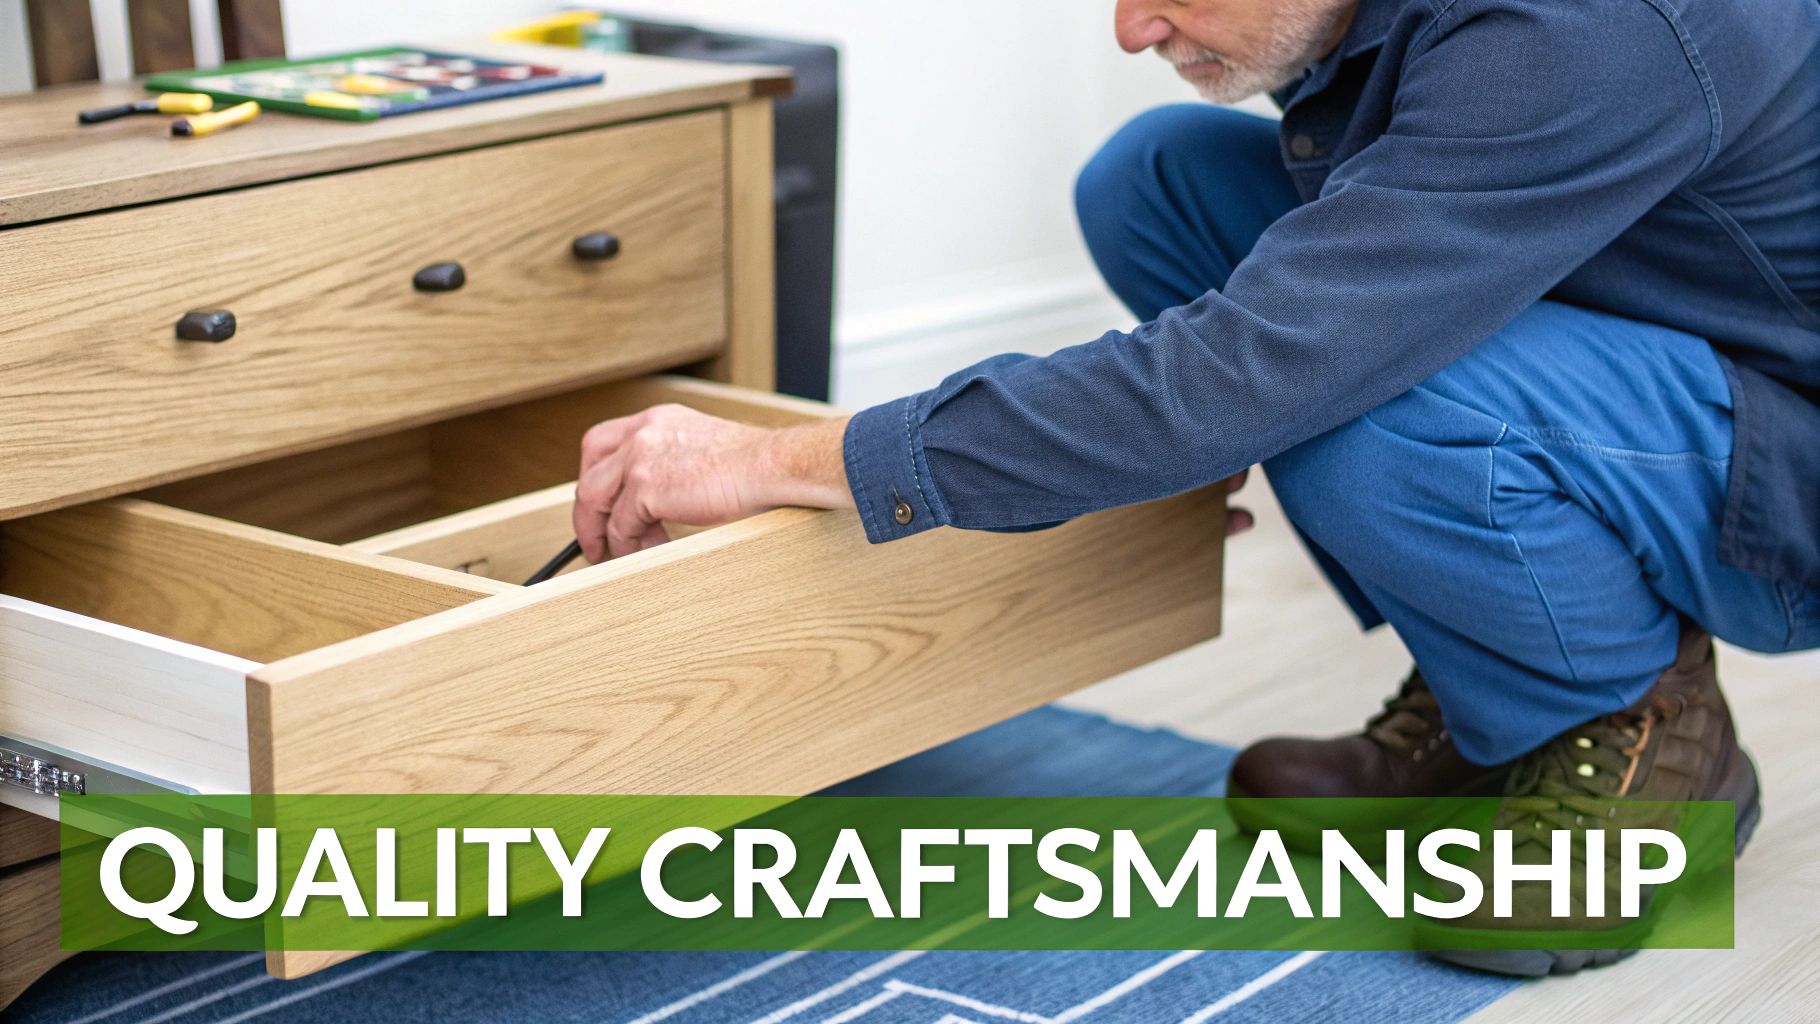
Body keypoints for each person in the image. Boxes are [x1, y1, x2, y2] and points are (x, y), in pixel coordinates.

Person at [569, 0, 1820, 975]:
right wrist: (1133, 448)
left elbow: (1269, 360)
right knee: (1155, 179)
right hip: (1657, 348)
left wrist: (784, 460)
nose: (1130, 28)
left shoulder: (1584, 29)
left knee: (1362, 417)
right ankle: (1492, 672)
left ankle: (1634, 721)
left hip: (1786, 468)